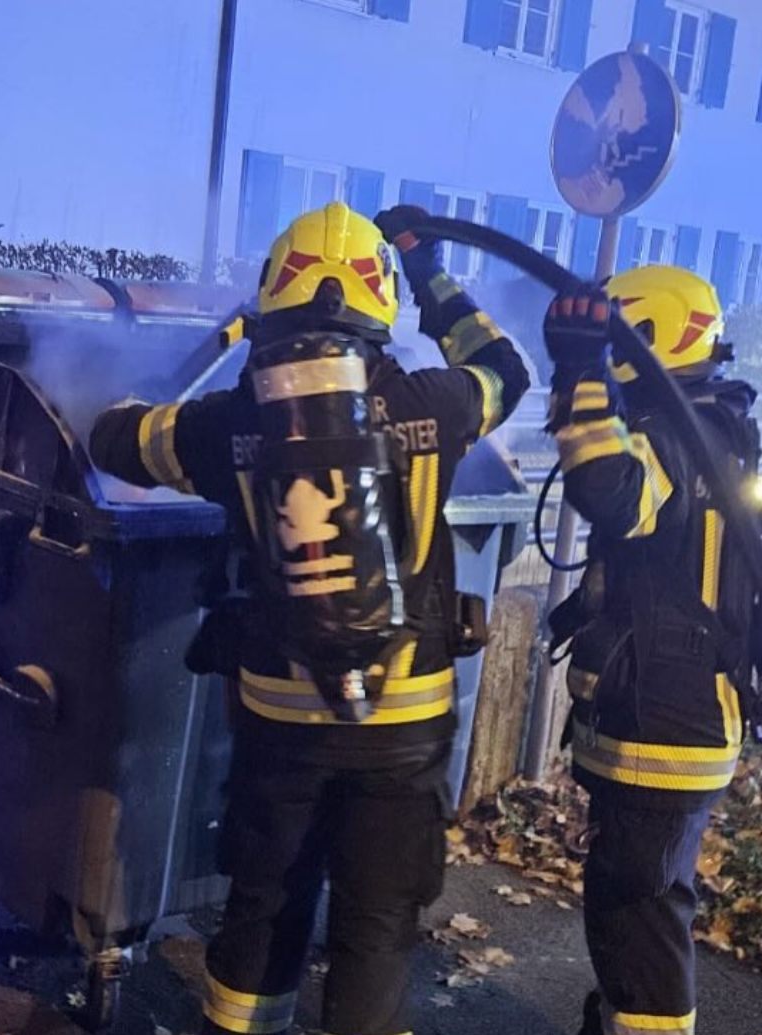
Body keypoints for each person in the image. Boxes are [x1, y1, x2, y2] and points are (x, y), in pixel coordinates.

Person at [89, 201, 529, 1035]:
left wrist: (132, 395)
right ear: (382, 305)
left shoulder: (234, 422)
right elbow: (506, 367)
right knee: (376, 926)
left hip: (282, 720)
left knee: (262, 909)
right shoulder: (442, 400)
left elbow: (118, 441)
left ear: (273, 294)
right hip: (405, 723)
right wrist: (433, 276)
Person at [542, 266, 759, 1035]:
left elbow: (611, 492)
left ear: (647, 336)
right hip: (685, 711)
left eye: (612, 340)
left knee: (636, 917)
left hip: (667, 723)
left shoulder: (677, 432)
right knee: (645, 904)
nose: (604, 358)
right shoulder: (709, 422)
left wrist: (577, 369)